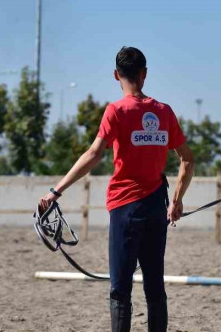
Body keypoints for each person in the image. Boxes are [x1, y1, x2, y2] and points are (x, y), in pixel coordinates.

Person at [38, 46, 195, 332]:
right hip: (157, 208)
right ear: (144, 74)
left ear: (116, 75)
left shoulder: (117, 111)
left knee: (120, 288)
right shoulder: (165, 112)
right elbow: (187, 159)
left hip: (125, 208)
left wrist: (55, 191)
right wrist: (177, 201)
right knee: (154, 286)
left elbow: (94, 154)